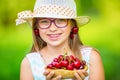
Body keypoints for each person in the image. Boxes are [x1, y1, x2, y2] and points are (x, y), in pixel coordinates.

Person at [16, 0, 105, 80]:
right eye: (44, 21)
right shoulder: (29, 63)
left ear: (72, 26)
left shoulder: (91, 58)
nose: (53, 28)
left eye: (61, 20)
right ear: (37, 28)